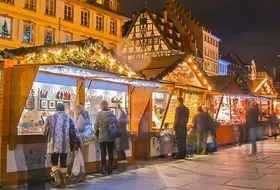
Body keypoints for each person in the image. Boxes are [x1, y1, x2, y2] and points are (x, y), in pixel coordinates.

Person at [44, 103, 78, 189]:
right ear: (63, 109)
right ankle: (63, 182)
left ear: (56, 109)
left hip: (53, 144)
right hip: (65, 144)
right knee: (63, 161)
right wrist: (73, 144)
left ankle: (58, 180)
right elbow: (73, 133)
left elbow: (45, 133)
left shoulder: (50, 118)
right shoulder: (69, 119)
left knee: (54, 161)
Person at [94, 100, 118, 175]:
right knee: (110, 153)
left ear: (101, 106)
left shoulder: (99, 114)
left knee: (103, 154)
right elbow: (116, 124)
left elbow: (96, 126)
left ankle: (103, 170)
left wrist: (97, 134)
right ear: (107, 106)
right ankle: (110, 169)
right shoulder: (112, 114)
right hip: (110, 137)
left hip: (102, 137)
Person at [115, 104, 129, 172]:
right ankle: (124, 166)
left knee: (119, 151)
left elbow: (115, 126)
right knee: (122, 151)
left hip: (120, 137)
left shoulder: (120, 120)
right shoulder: (124, 118)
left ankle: (121, 167)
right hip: (124, 136)